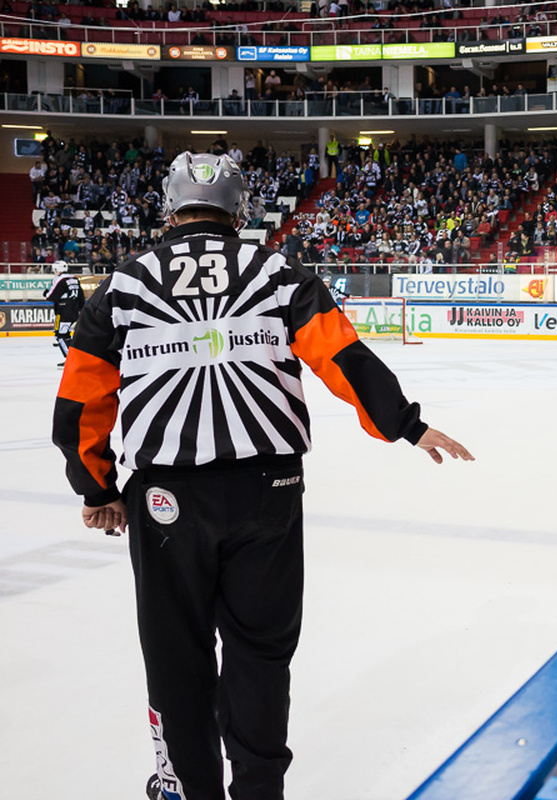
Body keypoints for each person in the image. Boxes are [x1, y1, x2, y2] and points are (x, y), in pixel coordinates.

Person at [50, 152, 473, 800]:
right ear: (240, 209)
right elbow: (342, 357)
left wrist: (97, 487)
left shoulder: (125, 284)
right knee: (259, 656)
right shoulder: (278, 272)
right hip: (267, 493)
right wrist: (405, 424)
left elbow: (80, 404)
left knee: (177, 657)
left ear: (169, 209)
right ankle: (258, 791)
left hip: (168, 497)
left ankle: (189, 788)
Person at [43, 258, 82, 367]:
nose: (54, 272)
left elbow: (51, 296)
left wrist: (46, 293)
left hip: (63, 312)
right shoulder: (75, 279)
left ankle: (70, 360)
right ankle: (75, 357)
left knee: (60, 335)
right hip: (74, 312)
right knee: (67, 335)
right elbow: (81, 297)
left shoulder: (59, 280)